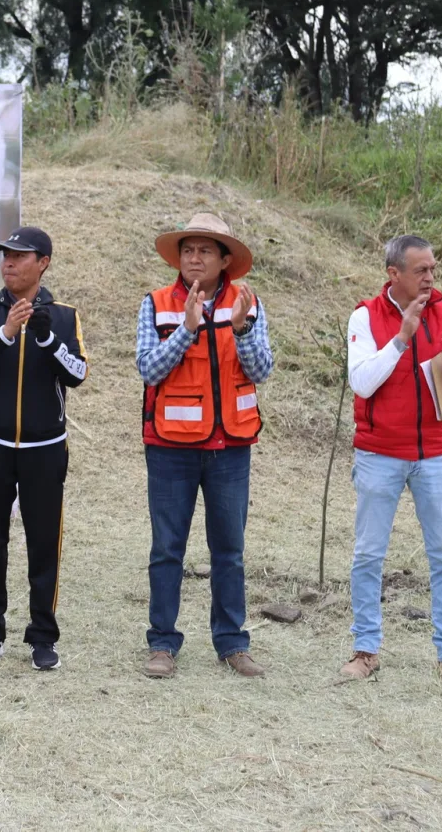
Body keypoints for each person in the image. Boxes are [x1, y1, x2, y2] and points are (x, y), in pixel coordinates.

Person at [339, 235, 442, 691]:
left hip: (438, 453)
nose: (429, 278)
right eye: (420, 270)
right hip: (379, 452)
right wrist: (402, 337)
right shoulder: (365, 316)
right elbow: (362, 383)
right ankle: (366, 651)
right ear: (393, 274)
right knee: (368, 555)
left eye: (433, 269)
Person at [135, 211, 275, 680]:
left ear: (224, 260)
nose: (194, 258)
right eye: (188, 250)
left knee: (229, 550)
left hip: (231, 448)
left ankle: (233, 644)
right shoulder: (155, 304)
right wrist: (188, 329)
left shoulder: (249, 304)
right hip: (170, 447)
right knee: (166, 550)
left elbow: (262, 370)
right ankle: (161, 644)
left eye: (205, 250)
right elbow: (149, 370)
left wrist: (239, 330)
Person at [0, 227, 87, 670]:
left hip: (45, 449)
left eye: (19, 256)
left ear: (43, 262)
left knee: (44, 542)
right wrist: (5, 333)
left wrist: (48, 340)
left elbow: (77, 374)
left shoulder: (64, 315)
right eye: (5, 256)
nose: (9, 263)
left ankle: (43, 637)